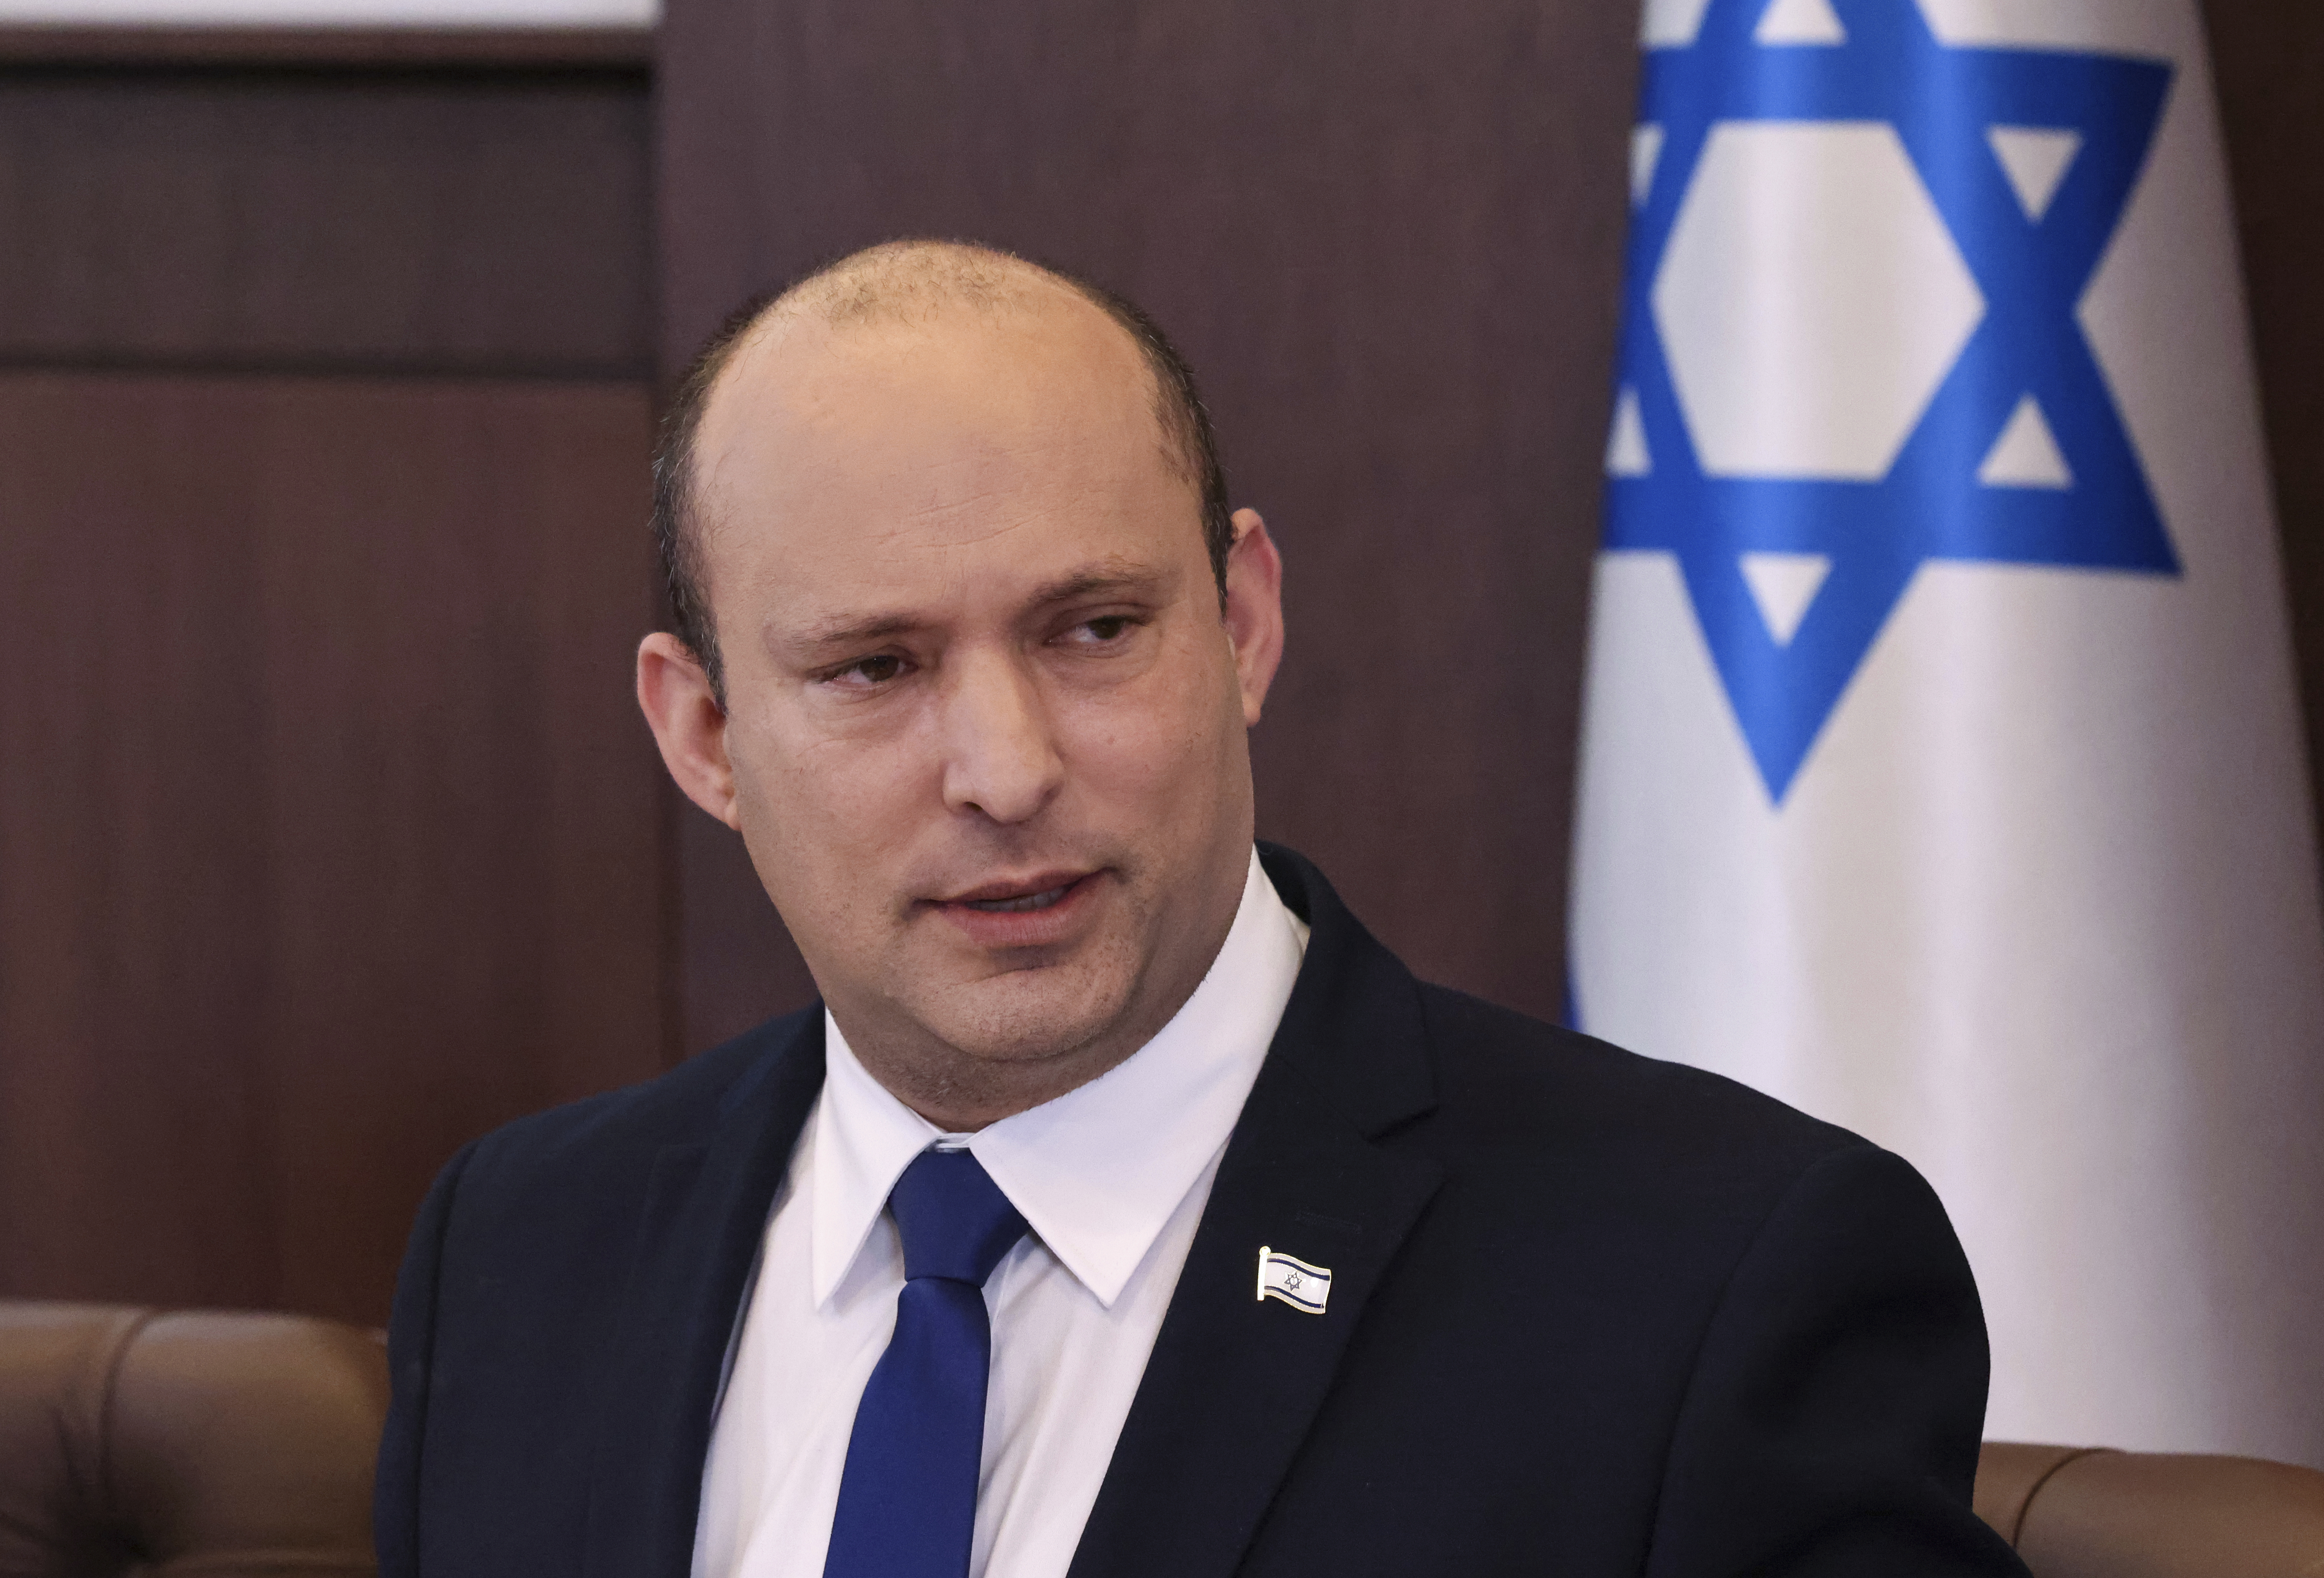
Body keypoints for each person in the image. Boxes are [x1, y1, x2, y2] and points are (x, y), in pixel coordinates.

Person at [375, 240, 2027, 1578]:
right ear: (705, 734)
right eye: (876, 668)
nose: (1006, 770)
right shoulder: (525, 1248)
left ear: (1242, 627)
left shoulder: (1706, 1279)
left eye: (1094, 631)